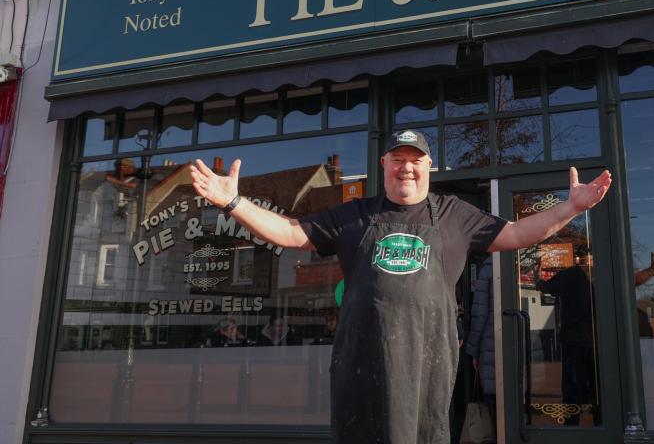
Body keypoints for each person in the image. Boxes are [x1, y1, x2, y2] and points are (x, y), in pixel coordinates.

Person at [190, 129, 611, 443]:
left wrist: (571, 208)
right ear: (384, 165)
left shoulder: (454, 215)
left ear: (428, 166)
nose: (406, 166)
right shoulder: (356, 215)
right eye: (397, 158)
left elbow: (519, 234)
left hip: (427, 362)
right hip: (362, 360)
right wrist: (232, 202)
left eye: (415, 159)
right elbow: (289, 232)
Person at [536, 248, 597, 425]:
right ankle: (600, 421)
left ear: (577, 259)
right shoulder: (601, 275)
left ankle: (572, 426)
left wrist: (538, 278)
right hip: (595, 338)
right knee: (596, 385)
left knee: (573, 386)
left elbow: (546, 287)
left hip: (574, 338)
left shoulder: (571, 275)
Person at [465, 256, 496, 423]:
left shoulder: (487, 270)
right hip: (519, 351)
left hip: (492, 349)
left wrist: (472, 350)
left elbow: (480, 314)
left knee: (493, 413)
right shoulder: (522, 267)